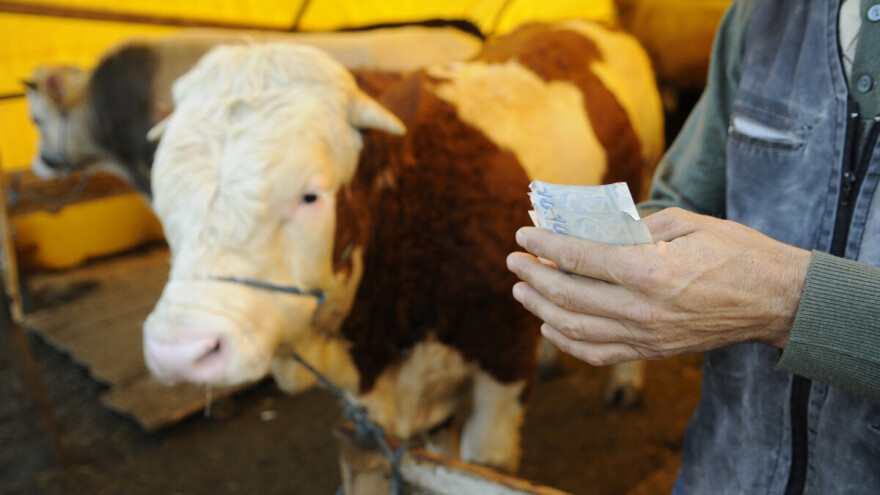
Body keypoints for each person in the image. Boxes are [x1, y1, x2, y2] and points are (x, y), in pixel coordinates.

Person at [507, 0, 880, 493]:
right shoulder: (762, 15)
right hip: (723, 472)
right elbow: (676, 200)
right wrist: (606, 248)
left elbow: (774, 295)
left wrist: (784, 301)